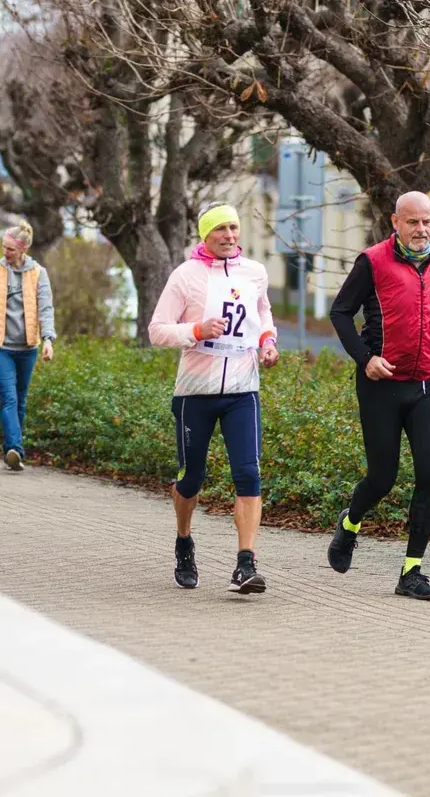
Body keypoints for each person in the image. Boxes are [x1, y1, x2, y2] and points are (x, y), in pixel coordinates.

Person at [327, 191, 430, 601]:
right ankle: (350, 523)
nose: (421, 230)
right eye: (412, 222)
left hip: (427, 384)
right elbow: (340, 313)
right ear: (395, 222)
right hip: (382, 384)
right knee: (382, 478)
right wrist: (365, 358)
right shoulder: (372, 261)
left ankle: (412, 571)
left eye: (427, 222)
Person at [148, 202, 280, 594]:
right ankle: (184, 541)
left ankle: (246, 563)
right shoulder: (186, 276)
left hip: (243, 390)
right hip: (195, 393)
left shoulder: (254, 272)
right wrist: (196, 329)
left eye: (234, 229)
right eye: (220, 229)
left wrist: (268, 342)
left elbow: (263, 313)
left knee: (249, 473)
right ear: (205, 234)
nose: (229, 236)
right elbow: (156, 330)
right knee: (192, 479)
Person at [0, 220, 56, 472]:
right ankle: (15, 449)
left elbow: (45, 308)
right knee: (8, 397)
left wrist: (48, 339)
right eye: (3, 247)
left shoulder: (38, 273)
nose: (5, 253)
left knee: (20, 400)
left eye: (10, 249)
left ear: (23, 249)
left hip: (27, 347)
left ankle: (13, 451)